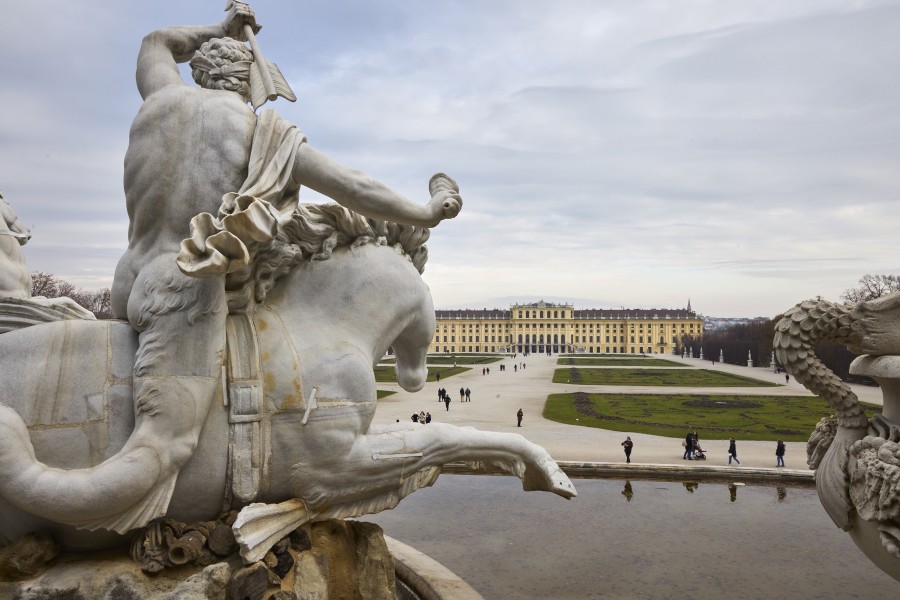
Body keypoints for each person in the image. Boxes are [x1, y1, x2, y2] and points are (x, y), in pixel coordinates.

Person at [38, 3, 462, 528]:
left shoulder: (160, 99)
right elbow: (357, 189)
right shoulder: (259, 132)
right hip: (184, 288)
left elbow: (155, 42)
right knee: (162, 446)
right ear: (247, 82)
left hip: (130, 280)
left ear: (201, 70)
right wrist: (425, 212)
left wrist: (218, 28)